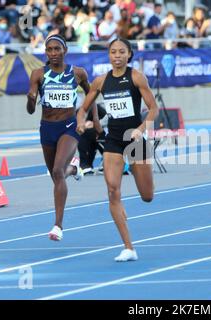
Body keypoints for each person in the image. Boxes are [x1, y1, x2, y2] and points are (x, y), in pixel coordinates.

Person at [76, 38, 159, 262]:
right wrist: (81, 122)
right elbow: (83, 108)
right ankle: (128, 247)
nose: (117, 56)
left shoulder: (136, 77)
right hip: (113, 141)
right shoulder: (101, 82)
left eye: (122, 52)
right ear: (109, 55)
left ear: (129, 54)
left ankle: (137, 179)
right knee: (113, 191)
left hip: (134, 140)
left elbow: (153, 108)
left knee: (147, 196)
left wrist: (142, 128)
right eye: (113, 52)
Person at [27, 34, 102, 241]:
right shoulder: (38, 74)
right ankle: (74, 168)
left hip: (69, 127)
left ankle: (58, 225)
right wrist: (31, 99)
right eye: (49, 50)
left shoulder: (77, 73)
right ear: (46, 53)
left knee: (57, 172)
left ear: (65, 51)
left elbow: (92, 95)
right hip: (47, 128)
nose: (53, 53)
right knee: (56, 174)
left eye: (57, 49)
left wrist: (94, 119)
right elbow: (31, 110)